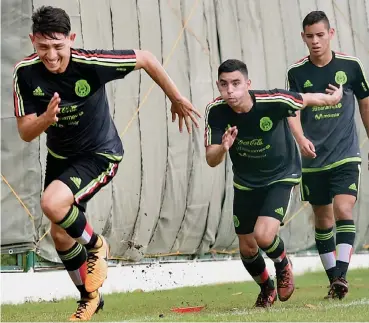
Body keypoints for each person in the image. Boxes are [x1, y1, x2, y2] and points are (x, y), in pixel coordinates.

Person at [13, 5, 201, 321]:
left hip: (99, 155)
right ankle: (90, 298)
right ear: (33, 41)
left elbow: (146, 58)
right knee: (60, 235)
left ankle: (98, 247)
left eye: (59, 46)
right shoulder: (25, 73)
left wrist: (176, 97)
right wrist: (46, 119)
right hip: (60, 160)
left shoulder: (91, 63)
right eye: (43, 47)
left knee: (51, 203)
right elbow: (25, 132)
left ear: (71, 39)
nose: (52, 55)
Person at [204, 59, 342, 308]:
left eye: (236, 83)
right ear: (218, 86)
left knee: (263, 235)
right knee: (247, 248)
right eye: (224, 85)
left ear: (248, 84)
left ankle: (283, 265)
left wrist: (333, 99)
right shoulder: (215, 111)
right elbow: (211, 159)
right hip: (246, 182)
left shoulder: (274, 100)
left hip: (280, 175)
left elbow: (308, 98)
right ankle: (266, 287)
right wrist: (223, 148)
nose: (230, 91)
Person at [286, 11, 369, 300]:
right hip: (313, 158)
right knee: (323, 220)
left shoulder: (351, 66)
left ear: (331, 33)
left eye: (320, 35)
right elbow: (292, 110)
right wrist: (300, 139)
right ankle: (335, 281)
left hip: (346, 154)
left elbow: (365, 105)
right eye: (310, 36)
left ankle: (341, 275)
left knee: (343, 210)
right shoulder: (296, 73)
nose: (315, 41)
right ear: (303, 37)